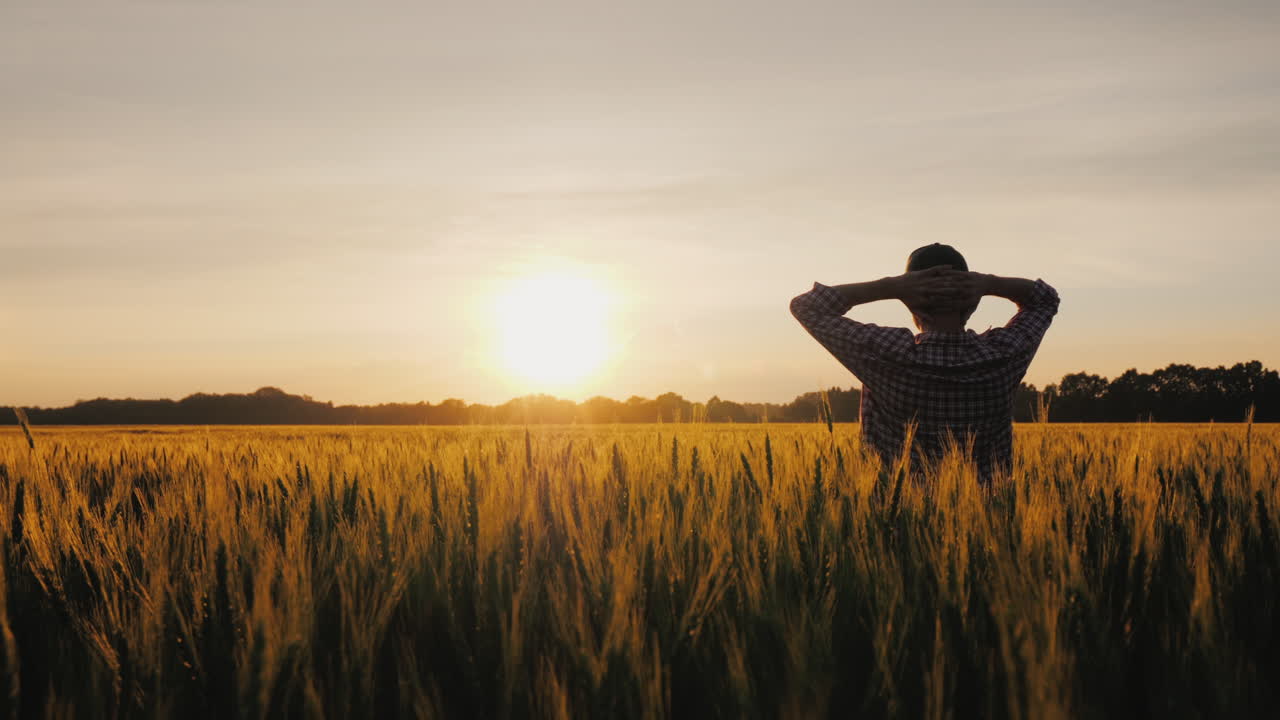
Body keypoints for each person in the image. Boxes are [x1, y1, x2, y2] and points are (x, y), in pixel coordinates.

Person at [789, 243, 1059, 484]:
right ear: (973, 304)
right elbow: (1045, 299)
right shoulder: (1005, 353)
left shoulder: (886, 353)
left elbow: (807, 307)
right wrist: (987, 283)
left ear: (910, 304)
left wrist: (890, 286)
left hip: (900, 524)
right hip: (988, 523)